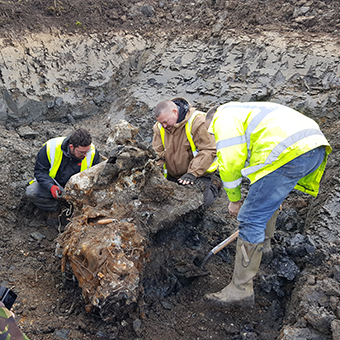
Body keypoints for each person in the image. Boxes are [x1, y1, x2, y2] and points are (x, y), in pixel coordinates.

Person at [204, 101, 332, 307]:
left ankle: (240, 290)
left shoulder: (222, 118)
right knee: (265, 204)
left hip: (288, 153)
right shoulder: (246, 111)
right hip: (313, 148)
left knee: (250, 217)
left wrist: (235, 200)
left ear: (211, 123)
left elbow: (230, 161)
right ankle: (265, 247)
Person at [152, 98, 221, 208]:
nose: (164, 126)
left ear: (175, 112)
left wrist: (192, 173)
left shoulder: (197, 121)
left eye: (165, 122)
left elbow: (209, 150)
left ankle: (214, 185)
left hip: (198, 174)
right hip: (173, 176)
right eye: (161, 123)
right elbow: (157, 154)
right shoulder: (159, 127)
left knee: (199, 204)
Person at [26, 128, 100, 220]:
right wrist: (50, 187)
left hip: (78, 189)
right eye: (81, 152)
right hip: (55, 184)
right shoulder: (51, 148)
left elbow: (96, 178)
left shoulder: (92, 153)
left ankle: (74, 211)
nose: (85, 155)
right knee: (32, 192)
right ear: (71, 147)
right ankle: (57, 209)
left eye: (86, 152)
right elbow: (40, 172)